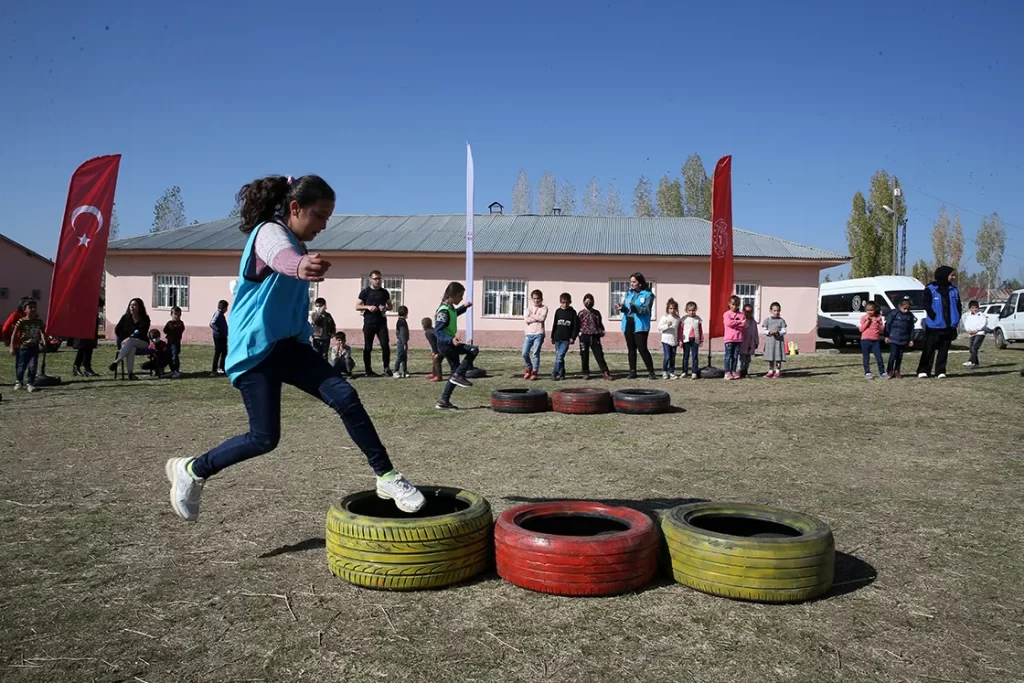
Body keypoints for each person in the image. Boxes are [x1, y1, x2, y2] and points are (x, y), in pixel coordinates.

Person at [164, 173, 425, 523]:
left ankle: (386, 476)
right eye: (319, 215)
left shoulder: (297, 244)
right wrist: (300, 266)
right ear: (295, 207)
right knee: (264, 438)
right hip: (256, 353)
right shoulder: (270, 233)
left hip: (289, 347)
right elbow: (280, 258)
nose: (324, 224)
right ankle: (194, 469)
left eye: (328, 218)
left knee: (345, 397)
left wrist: (301, 263)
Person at [434, 281, 478, 410]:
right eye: (460, 296)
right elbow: (438, 331)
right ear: (452, 295)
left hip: (449, 343)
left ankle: (443, 401)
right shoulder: (443, 310)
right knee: (473, 350)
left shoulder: (450, 308)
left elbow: (454, 314)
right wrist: (451, 339)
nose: (461, 298)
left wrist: (464, 307)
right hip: (446, 345)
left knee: (455, 373)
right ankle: (459, 375)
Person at [916, 265, 962, 379]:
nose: (954, 277)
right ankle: (923, 370)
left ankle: (940, 371)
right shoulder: (930, 288)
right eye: (952, 275)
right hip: (934, 325)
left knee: (944, 350)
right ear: (944, 275)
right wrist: (933, 316)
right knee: (929, 349)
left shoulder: (954, 290)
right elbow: (926, 304)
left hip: (949, 325)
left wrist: (957, 317)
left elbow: (958, 305)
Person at [620, 272, 656, 379]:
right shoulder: (629, 293)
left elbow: (646, 310)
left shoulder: (648, 295)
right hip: (628, 322)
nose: (632, 284)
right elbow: (627, 308)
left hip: (640, 325)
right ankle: (632, 371)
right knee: (631, 349)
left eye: (634, 282)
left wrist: (636, 308)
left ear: (640, 282)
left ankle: (651, 372)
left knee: (642, 349)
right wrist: (621, 308)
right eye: (631, 282)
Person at [356, 270, 392, 376]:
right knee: (368, 347)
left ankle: (386, 368)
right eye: (375, 279)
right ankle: (368, 370)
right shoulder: (365, 292)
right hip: (369, 323)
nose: (378, 281)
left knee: (385, 346)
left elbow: (390, 306)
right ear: (370, 279)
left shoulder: (384, 292)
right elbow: (357, 306)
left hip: (381, 323)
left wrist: (385, 307)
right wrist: (367, 307)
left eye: (379, 279)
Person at [109, 298, 151, 380]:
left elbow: (141, 332)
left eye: (134, 305)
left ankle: (117, 361)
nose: (132, 307)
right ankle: (130, 373)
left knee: (131, 341)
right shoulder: (125, 318)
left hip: (142, 342)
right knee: (132, 348)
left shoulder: (145, 319)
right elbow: (118, 330)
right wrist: (122, 340)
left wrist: (128, 338)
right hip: (127, 344)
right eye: (131, 305)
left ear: (140, 307)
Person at [9, 298, 45, 391]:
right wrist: (12, 347)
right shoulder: (22, 321)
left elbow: (42, 331)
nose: (33, 309)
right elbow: (14, 334)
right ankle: (19, 381)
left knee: (33, 366)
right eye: (30, 307)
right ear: (24, 309)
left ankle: (30, 383)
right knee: (21, 366)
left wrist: (43, 339)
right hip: (23, 348)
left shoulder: (39, 321)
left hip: (34, 347)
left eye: (34, 307)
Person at [578, 293, 612, 381]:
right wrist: (578, 334)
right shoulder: (581, 313)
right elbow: (577, 325)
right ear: (583, 302)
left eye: (590, 302)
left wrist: (602, 330)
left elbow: (600, 324)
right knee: (584, 356)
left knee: (599, 355)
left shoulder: (596, 313)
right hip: (584, 336)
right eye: (587, 302)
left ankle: (605, 372)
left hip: (595, 336)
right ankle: (585, 373)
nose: (588, 303)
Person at [884, 295, 916, 378]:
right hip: (893, 338)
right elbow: (887, 325)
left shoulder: (910, 316)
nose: (906, 311)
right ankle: (889, 371)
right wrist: (886, 336)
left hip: (903, 339)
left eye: (908, 309)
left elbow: (911, 328)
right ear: (899, 306)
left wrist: (911, 339)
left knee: (899, 356)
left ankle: (897, 370)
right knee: (893, 355)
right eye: (904, 308)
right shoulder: (894, 313)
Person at [550, 293, 579, 381]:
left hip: (566, 339)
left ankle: (554, 373)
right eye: (563, 303)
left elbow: (575, 327)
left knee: (559, 356)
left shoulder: (573, 312)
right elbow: (555, 324)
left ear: (570, 302)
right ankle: (562, 373)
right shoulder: (558, 311)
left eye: (566, 303)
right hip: (557, 337)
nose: (565, 304)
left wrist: (573, 337)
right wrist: (552, 336)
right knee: (559, 357)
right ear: (560, 302)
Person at [71, 297, 103, 377]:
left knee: (89, 346)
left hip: (91, 321)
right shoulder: (81, 295)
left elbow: (101, 303)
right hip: (82, 321)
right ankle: (77, 367)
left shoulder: (92, 293)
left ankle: (87, 368)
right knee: (83, 346)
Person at [522, 289, 548, 380]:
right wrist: (535, 318)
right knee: (524, 353)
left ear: (541, 299)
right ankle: (529, 367)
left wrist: (532, 316)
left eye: (538, 298)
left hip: (539, 333)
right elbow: (526, 319)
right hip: (529, 334)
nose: (536, 300)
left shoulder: (544, 308)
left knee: (535, 353)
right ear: (532, 299)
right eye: (534, 298)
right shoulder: (528, 309)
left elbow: (542, 318)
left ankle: (534, 371)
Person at [859, 302, 888, 379]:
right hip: (865, 340)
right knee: (866, 357)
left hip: (875, 340)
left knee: (879, 357)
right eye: (868, 310)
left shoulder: (878, 318)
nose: (870, 312)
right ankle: (867, 372)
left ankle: (882, 372)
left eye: (871, 310)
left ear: (875, 310)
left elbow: (882, 330)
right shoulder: (863, 318)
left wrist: (877, 323)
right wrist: (867, 322)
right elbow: (861, 329)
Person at [761, 302, 788, 378]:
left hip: (778, 342)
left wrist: (778, 332)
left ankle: (778, 371)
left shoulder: (781, 320)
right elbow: (764, 330)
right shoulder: (767, 320)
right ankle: (770, 370)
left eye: (778, 310)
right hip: (770, 342)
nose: (776, 312)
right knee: (771, 356)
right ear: (770, 311)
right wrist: (769, 332)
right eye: (775, 310)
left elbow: (784, 330)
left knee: (778, 356)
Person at [657, 298, 681, 380]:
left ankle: (672, 372)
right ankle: (664, 371)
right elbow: (659, 328)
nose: (672, 310)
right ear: (668, 309)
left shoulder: (678, 319)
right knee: (667, 357)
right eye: (671, 308)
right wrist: (667, 325)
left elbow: (678, 330)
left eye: (674, 308)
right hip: (666, 340)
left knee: (673, 357)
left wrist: (679, 340)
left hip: (674, 340)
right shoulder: (665, 317)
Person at [722, 296, 745, 380]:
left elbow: (743, 324)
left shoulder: (741, 314)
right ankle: (727, 372)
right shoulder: (726, 314)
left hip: (738, 339)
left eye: (736, 305)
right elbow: (729, 323)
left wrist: (736, 323)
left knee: (735, 356)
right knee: (728, 356)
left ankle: (734, 371)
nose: (734, 307)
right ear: (729, 304)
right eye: (733, 304)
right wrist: (738, 322)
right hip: (729, 339)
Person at [962, 300, 988, 369]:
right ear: (970, 308)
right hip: (971, 334)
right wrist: (968, 330)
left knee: (974, 347)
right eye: (973, 308)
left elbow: (983, 323)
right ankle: (976, 363)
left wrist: (976, 330)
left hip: (979, 333)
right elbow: (966, 324)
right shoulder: (968, 315)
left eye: (976, 308)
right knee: (971, 348)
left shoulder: (981, 315)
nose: (974, 309)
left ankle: (971, 361)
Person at [738, 303, 759, 379]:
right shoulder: (741, 320)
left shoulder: (753, 322)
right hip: (743, 343)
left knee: (748, 359)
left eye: (750, 311)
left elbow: (756, 332)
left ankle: (745, 370)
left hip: (750, 343)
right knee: (741, 359)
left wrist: (756, 342)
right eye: (746, 311)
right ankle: (740, 370)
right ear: (743, 311)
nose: (748, 313)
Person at [163, 305, 185, 379]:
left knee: (175, 356)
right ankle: (172, 370)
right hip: (169, 342)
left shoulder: (180, 323)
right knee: (169, 356)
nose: (177, 316)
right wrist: (170, 328)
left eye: (179, 315)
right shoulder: (169, 323)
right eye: (175, 314)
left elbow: (180, 330)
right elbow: (165, 330)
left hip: (176, 342)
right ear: (171, 314)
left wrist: (174, 328)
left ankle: (176, 370)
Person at [210, 299, 229, 376]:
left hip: (223, 336)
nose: (227, 310)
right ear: (223, 308)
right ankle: (214, 370)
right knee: (217, 352)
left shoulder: (221, 315)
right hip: (218, 336)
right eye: (226, 308)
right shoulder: (218, 314)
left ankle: (221, 368)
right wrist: (219, 330)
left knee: (224, 352)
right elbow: (212, 323)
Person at [422, 317, 443, 382]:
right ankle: (434, 373)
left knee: (437, 360)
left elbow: (433, 343)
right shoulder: (432, 330)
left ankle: (438, 376)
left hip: (442, 347)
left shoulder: (428, 332)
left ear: (424, 325)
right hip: (440, 347)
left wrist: (435, 352)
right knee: (435, 360)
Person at [393, 305, 410, 378]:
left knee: (404, 357)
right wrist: (404, 343)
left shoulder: (400, 321)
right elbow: (402, 333)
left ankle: (404, 370)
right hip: (402, 342)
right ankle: (395, 371)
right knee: (400, 356)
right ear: (406, 313)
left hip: (403, 341)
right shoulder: (402, 322)